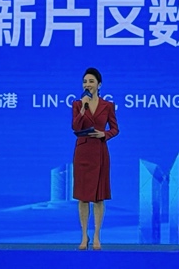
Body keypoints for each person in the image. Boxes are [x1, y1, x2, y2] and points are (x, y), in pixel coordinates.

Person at [72, 67, 118, 250]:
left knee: (99, 198)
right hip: (82, 153)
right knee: (82, 198)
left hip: (99, 152)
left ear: (99, 85)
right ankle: (84, 236)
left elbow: (115, 129)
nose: (87, 84)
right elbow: (75, 127)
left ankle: (97, 235)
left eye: (91, 81)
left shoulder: (108, 106)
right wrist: (83, 109)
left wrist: (103, 134)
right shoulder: (77, 104)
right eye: (85, 82)